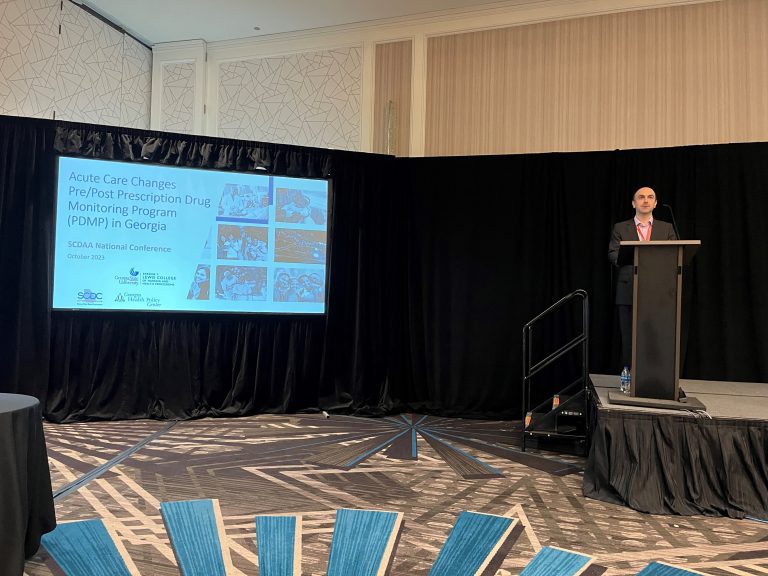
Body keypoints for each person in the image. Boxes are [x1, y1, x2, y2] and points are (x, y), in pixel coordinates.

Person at [608, 186, 677, 371]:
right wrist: (637, 256)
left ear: (655, 203)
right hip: (629, 289)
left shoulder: (666, 228)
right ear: (633, 203)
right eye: (641, 197)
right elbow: (613, 254)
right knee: (629, 336)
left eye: (650, 197)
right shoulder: (621, 227)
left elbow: (674, 255)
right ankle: (630, 376)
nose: (645, 200)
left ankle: (656, 376)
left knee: (656, 336)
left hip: (659, 292)